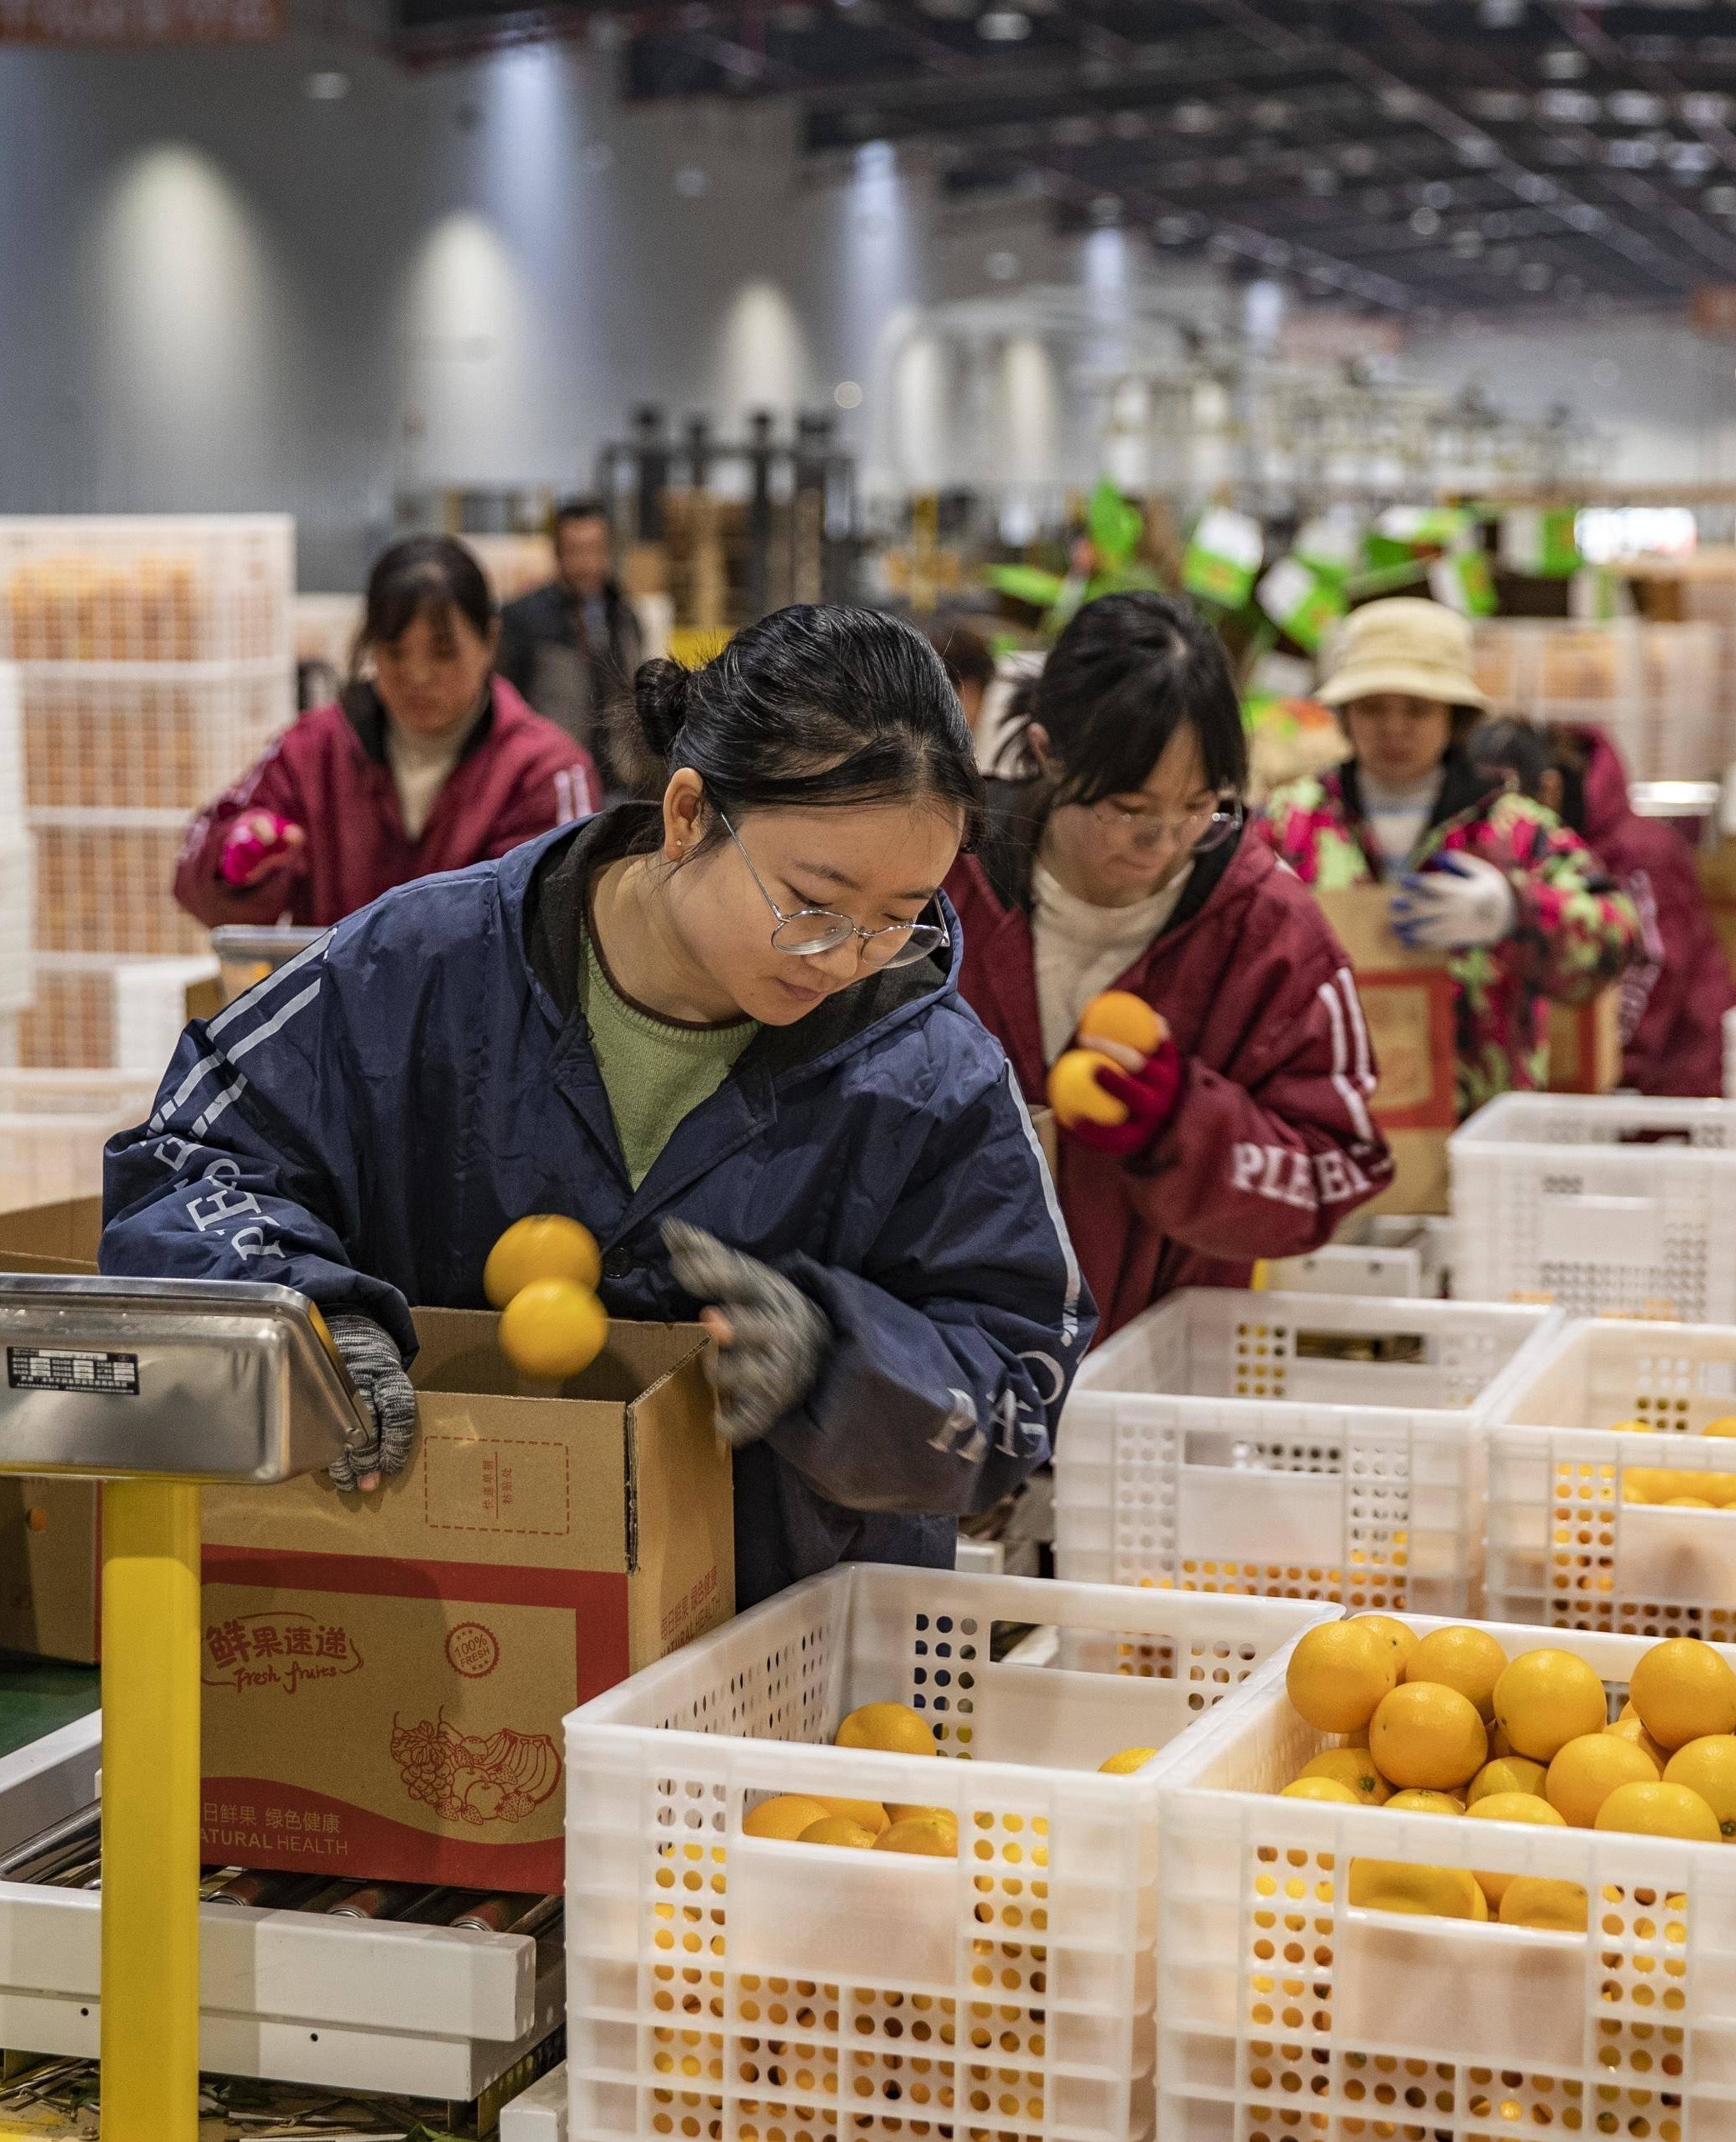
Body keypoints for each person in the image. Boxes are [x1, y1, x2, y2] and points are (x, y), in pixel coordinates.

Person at [106, 603, 1087, 1606]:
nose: (846, 959)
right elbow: (195, 1154)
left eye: (898, 921)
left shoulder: (930, 1076)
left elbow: (1017, 1372)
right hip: (443, 1626)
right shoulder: (423, 971)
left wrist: (843, 1365)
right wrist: (308, 1321)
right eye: (813, 905)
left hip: (783, 1663)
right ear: (689, 815)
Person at [943, 593, 1393, 1340]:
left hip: (1164, 1378)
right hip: (950, 1359)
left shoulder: (1270, 930)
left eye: (1198, 806)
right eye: (1128, 808)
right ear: (1050, 753)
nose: (1162, 844)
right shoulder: (942, 880)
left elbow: (1333, 1173)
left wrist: (1181, 1125)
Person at [1268, 598, 1643, 1113]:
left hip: (1480, 1122)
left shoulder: (1512, 831)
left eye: (1418, 709)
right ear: (1346, 715)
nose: (1394, 728)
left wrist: (1518, 911)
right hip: (1326, 1121)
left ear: (1454, 717)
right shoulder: (1289, 824)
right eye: (1373, 707)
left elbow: (1616, 939)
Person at [174, 535, 599, 930]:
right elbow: (193, 875)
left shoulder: (547, 772)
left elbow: (558, 928)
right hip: (333, 1012)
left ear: (489, 640)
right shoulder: (309, 752)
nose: (417, 675)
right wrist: (232, 867)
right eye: (394, 652)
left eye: (443, 653)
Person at [1467, 718, 1736, 1098]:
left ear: (1549, 791)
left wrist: (1607, 1064)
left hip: (1666, 1087)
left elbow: (1653, 968)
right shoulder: (1532, 855)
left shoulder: (1638, 853)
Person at [495, 500, 648, 778]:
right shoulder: (524, 617)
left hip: (618, 776)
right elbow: (504, 702)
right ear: (557, 553)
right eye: (574, 550)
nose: (585, 563)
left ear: (608, 551)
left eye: (594, 549)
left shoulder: (625, 617)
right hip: (551, 772)